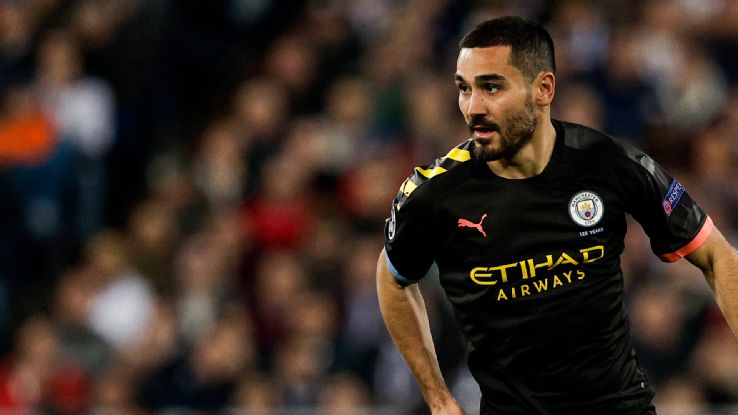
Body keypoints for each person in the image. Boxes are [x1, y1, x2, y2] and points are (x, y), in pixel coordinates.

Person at [376, 16, 738, 415]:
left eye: (491, 87)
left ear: (544, 89)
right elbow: (392, 277)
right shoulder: (434, 194)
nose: (473, 107)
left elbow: (716, 254)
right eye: (465, 88)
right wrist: (438, 398)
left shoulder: (608, 162)